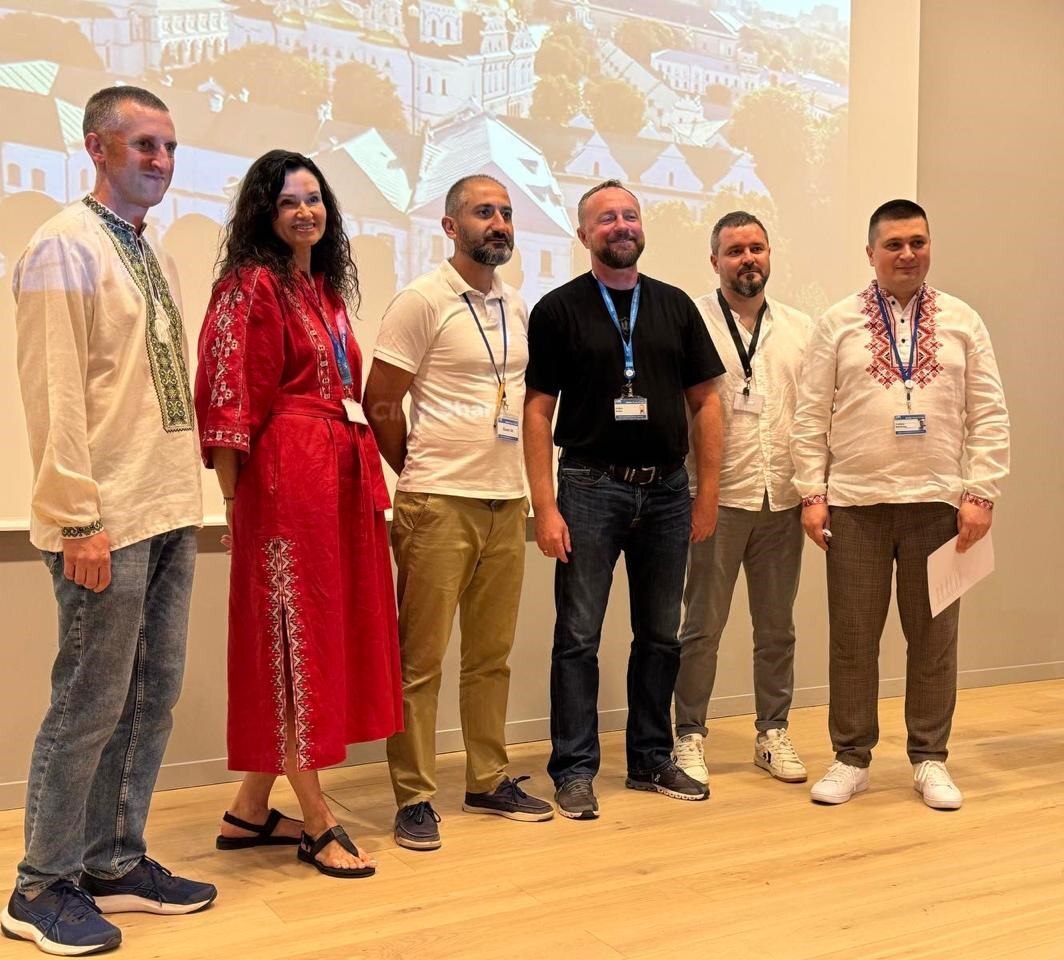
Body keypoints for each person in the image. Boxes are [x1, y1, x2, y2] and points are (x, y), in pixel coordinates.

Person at [3, 86, 215, 957]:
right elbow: (51, 392)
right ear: (96, 148)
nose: (161, 162)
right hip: (103, 520)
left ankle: (112, 860)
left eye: (169, 147)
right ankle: (39, 885)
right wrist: (76, 518)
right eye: (143, 146)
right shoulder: (64, 243)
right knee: (88, 705)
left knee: (150, 697)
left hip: (166, 508)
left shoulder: (150, 248)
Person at [195, 149, 403, 876]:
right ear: (265, 212)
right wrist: (235, 504)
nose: (305, 212)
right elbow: (228, 401)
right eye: (288, 202)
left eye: (313, 199)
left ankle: (250, 810)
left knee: (317, 633)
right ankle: (316, 818)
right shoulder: (250, 285)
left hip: (335, 482)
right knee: (293, 644)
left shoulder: (322, 290)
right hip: (285, 487)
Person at [792, 199, 1010, 809]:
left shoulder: (963, 320)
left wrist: (980, 492)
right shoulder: (838, 322)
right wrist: (812, 493)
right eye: (894, 244)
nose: (907, 254)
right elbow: (809, 414)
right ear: (871, 253)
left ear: (930, 246)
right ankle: (850, 758)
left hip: (939, 508)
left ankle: (929, 758)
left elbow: (989, 412)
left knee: (934, 639)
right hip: (855, 506)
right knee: (853, 640)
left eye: (918, 242)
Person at [524, 179, 725, 820]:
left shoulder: (675, 306)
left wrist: (706, 494)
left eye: (630, 215)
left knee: (661, 635)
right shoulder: (557, 309)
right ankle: (574, 769)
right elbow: (537, 410)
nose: (621, 226)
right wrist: (545, 506)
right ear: (584, 234)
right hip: (589, 486)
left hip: (666, 491)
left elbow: (707, 402)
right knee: (578, 636)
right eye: (606, 218)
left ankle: (649, 759)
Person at [364, 174, 553, 852]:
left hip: (506, 499)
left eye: (505, 213)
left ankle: (487, 779)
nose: (498, 224)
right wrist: (418, 470)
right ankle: (414, 796)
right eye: (482, 213)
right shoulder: (422, 300)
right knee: (420, 663)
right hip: (438, 502)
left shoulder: (516, 304)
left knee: (490, 657)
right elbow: (380, 401)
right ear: (450, 227)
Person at [673, 212, 813, 788]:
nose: (747, 258)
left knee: (777, 629)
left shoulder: (801, 328)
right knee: (702, 628)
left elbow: (813, 415)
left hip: (782, 497)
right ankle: (688, 735)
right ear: (715, 261)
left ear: (769, 254)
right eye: (735, 251)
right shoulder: (691, 321)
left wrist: (814, 489)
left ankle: (772, 732)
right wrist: (696, 495)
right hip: (717, 498)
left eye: (756, 248)